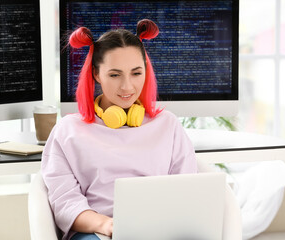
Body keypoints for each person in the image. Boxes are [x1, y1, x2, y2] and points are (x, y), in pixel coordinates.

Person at [41, 19, 197, 240]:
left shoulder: (167, 125)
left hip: (160, 228)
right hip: (97, 231)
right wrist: (107, 225)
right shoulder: (67, 131)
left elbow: (187, 189)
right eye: (115, 75)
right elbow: (65, 202)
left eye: (136, 73)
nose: (127, 87)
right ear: (96, 74)